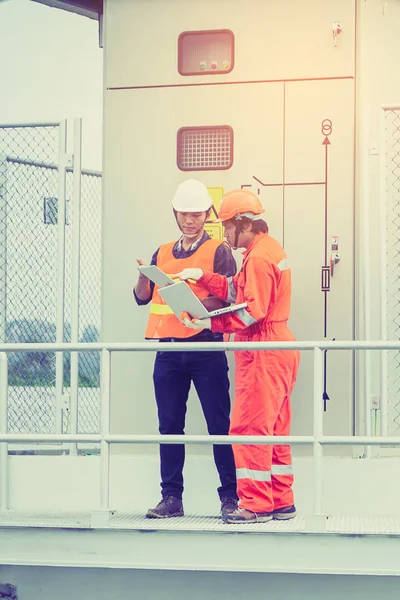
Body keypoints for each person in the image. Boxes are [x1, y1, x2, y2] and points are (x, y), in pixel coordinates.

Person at [178, 189, 300, 524]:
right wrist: (204, 277)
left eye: (227, 227)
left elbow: (251, 312)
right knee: (274, 428)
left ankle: (256, 504)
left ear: (243, 224)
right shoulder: (265, 250)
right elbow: (238, 289)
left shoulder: (259, 258)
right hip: (277, 348)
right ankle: (281, 500)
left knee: (249, 428)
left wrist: (208, 320)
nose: (224, 234)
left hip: (262, 349)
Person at [133, 179, 238, 519]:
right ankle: (171, 498)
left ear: (206, 214)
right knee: (169, 425)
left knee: (219, 424)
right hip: (168, 351)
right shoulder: (161, 252)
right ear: (175, 214)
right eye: (184, 214)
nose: (189, 220)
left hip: (205, 349)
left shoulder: (219, 250)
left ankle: (231, 498)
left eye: (196, 214)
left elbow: (229, 296)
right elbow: (141, 297)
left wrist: (195, 304)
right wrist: (143, 276)